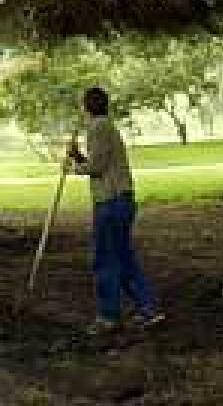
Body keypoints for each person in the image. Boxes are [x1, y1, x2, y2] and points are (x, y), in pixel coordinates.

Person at [66, 86, 163, 334]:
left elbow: (97, 167)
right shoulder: (106, 127)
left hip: (110, 203)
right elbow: (100, 162)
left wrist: (73, 168)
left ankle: (108, 316)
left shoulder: (97, 128)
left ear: (87, 106)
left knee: (105, 260)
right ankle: (148, 309)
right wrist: (77, 156)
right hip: (121, 201)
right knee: (123, 256)